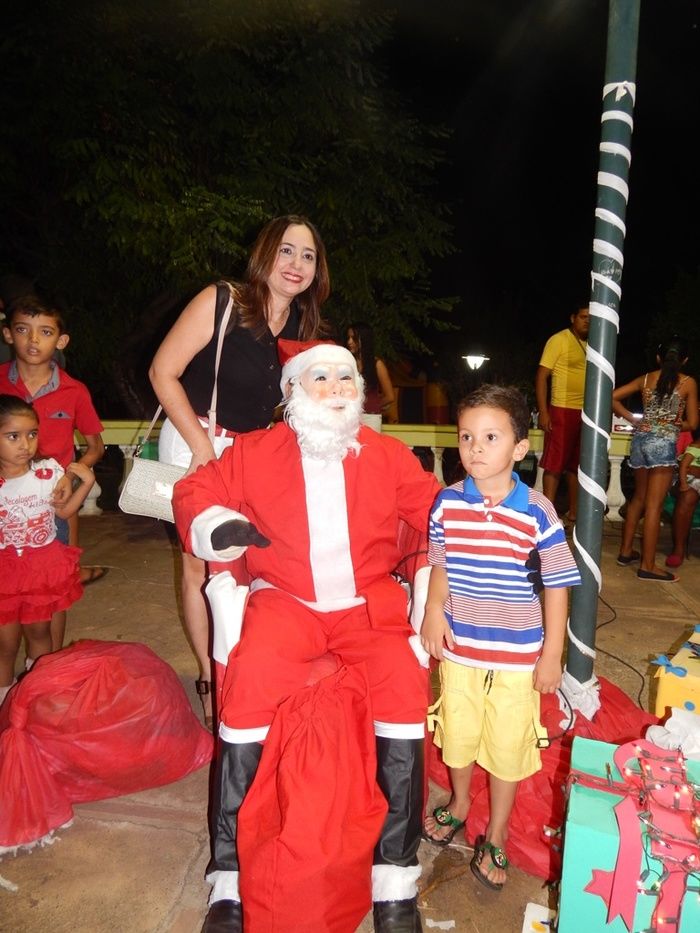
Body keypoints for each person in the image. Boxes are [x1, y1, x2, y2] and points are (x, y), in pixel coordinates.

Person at [173, 340, 441, 933]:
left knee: (402, 689)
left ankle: (394, 879)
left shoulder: (387, 454)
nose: (339, 388)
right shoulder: (254, 451)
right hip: (285, 604)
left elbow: (437, 515)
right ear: (293, 390)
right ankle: (230, 881)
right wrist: (219, 528)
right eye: (321, 377)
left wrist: (471, 547)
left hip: (366, 606)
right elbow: (194, 493)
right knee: (246, 696)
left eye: (347, 377)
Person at [149, 214, 330, 728]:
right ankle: (211, 676)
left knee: (254, 566)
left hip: (253, 453)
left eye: (308, 256)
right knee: (199, 565)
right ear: (265, 253)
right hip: (195, 440)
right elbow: (163, 371)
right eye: (287, 251)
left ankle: (247, 668)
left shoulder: (305, 328)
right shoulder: (222, 300)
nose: (296, 265)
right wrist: (203, 447)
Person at [420, 384, 580, 890]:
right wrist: (431, 611)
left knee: (509, 747)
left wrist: (552, 653)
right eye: (467, 436)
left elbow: (556, 584)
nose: (475, 448)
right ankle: (460, 800)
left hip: (515, 658)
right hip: (461, 649)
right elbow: (441, 563)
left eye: (490, 437)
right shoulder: (446, 504)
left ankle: (498, 831)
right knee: (459, 735)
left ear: (519, 447)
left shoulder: (537, 512)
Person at [0, 294, 105, 649]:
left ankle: (49, 668)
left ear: (60, 341)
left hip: (53, 507)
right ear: (7, 334)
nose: (33, 340)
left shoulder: (75, 391)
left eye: (44, 332)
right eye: (23, 330)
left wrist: (70, 476)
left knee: (55, 588)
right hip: (4, 509)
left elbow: (96, 448)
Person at [0, 395, 95, 707]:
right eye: (13, 436)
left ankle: (40, 693)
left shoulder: (48, 472)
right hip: (5, 571)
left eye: (32, 434)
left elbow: (64, 512)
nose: (25, 444)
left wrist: (85, 482)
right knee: (5, 643)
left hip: (42, 565)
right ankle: (4, 699)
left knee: (40, 632)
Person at [613, 337, 698, 582]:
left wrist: (634, 419)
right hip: (662, 445)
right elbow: (692, 423)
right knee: (654, 506)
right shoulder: (688, 383)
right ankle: (648, 566)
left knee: (639, 498)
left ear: (659, 358)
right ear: (684, 360)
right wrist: (670, 424)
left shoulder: (646, 379)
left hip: (640, 441)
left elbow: (612, 395)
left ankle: (626, 552)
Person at [535, 305, 590, 522]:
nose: (587, 321)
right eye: (583, 317)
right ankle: (547, 514)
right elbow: (541, 376)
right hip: (561, 409)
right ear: (573, 317)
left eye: (591, 319)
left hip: (585, 413)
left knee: (577, 466)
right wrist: (544, 411)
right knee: (555, 464)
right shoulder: (559, 339)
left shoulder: (595, 345)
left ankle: (574, 512)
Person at [346, 321, 395, 427]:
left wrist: (373, 405)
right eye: (348, 337)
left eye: (354, 338)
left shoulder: (377, 364)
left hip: (370, 417)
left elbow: (390, 396)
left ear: (364, 339)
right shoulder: (348, 363)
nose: (349, 342)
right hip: (350, 417)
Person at [666, 431, 700, 569]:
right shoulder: (694, 445)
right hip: (686, 481)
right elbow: (683, 466)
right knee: (688, 496)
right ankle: (678, 549)